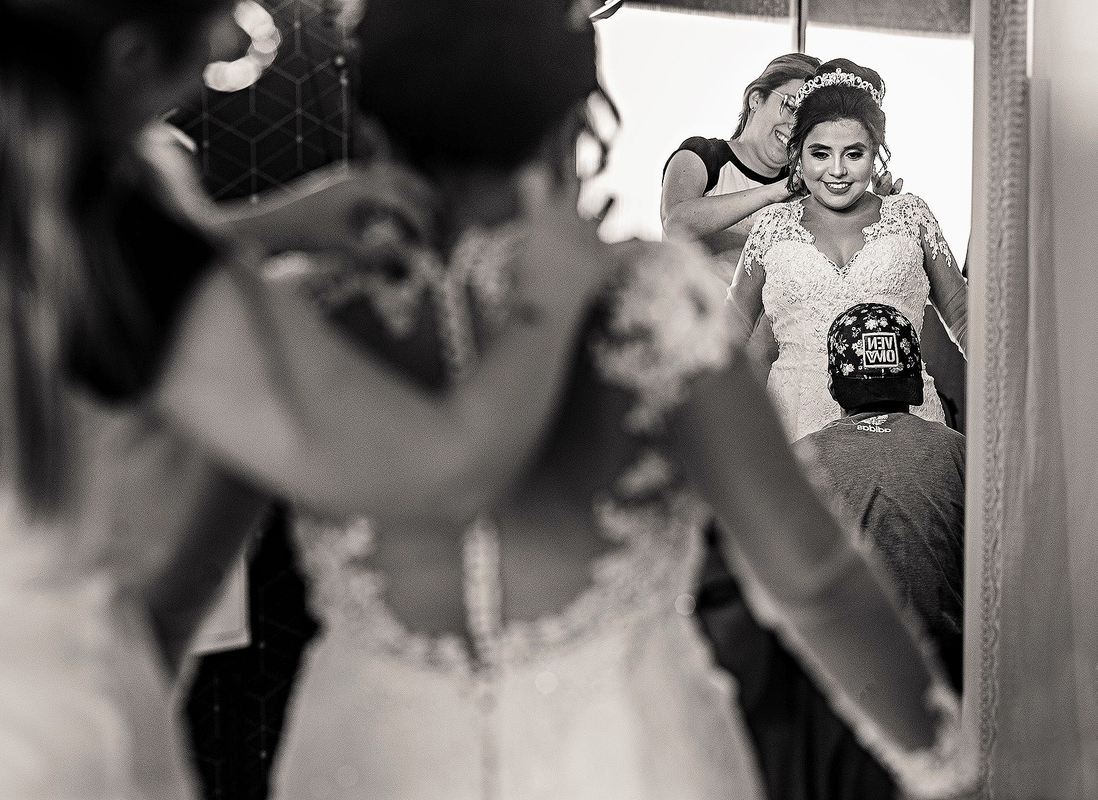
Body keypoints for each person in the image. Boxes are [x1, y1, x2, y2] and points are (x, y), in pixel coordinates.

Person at [0, 1, 607, 797]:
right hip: (47, 737)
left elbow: (60, 294)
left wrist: (267, 227)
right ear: (128, 59)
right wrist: (552, 296)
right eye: (213, 19)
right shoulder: (121, 245)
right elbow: (446, 472)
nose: (233, 42)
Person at [261, 3, 970, 798]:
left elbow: (170, 583)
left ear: (372, 123)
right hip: (631, 761)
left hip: (367, 762)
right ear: (576, 119)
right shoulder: (650, 306)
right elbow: (814, 578)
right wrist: (944, 767)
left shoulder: (297, 315)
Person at [727, 58, 968, 443]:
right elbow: (727, 336)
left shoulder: (911, 217)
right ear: (797, 154)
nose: (837, 170)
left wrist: (1009, 396)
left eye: (853, 154)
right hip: (796, 427)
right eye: (820, 154)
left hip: (905, 429)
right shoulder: (771, 227)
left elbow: (964, 316)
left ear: (875, 152)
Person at [797, 302, 964, 692]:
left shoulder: (800, 459)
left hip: (847, 680)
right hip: (952, 671)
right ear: (914, 380)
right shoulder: (957, 450)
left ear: (834, 386)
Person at [661, 53, 820, 289]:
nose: (795, 128)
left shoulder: (805, 196)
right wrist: (774, 192)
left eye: (807, 123)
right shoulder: (703, 156)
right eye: (791, 107)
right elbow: (676, 223)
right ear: (756, 98)